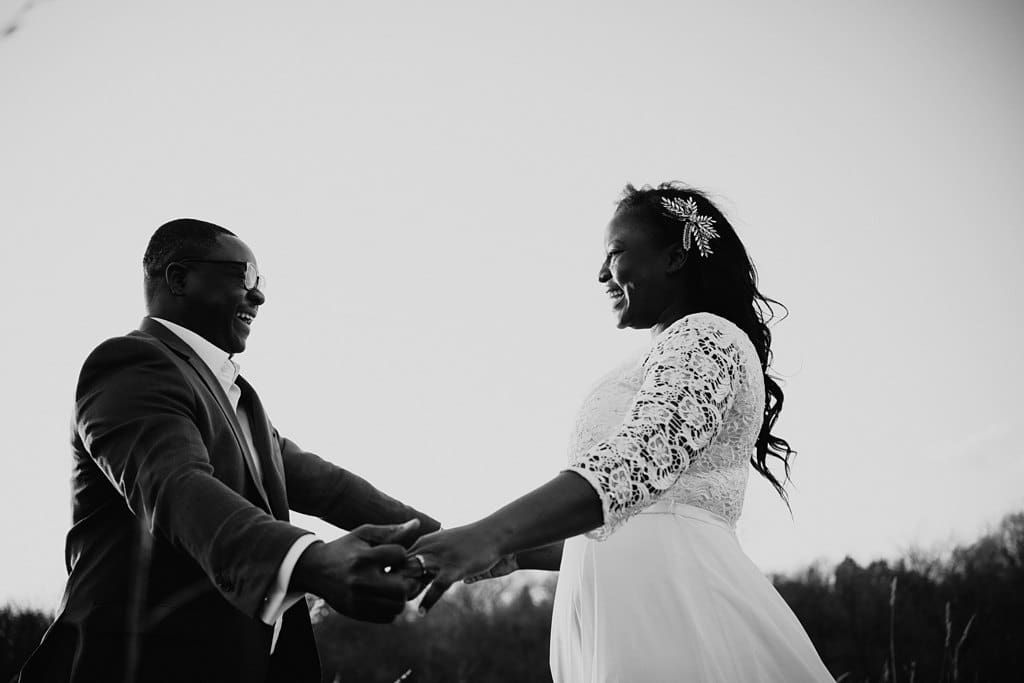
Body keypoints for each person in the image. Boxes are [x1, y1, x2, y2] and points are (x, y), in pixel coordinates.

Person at [409, 183, 835, 681]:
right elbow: (631, 519)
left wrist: (487, 533)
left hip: (676, 612)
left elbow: (637, 461)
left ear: (675, 257)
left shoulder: (706, 338)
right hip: (630, 611)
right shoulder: (662, 353)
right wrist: (516, 550)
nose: (600, 273)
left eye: (615, 252)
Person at [19, 219, 440, 683]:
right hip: (134, 663)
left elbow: (326, 484)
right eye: (244, 277)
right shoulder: (130, 364)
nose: (259, 296)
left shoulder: (237, 396)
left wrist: (458, 541)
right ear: (179, 279)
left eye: (262, 283)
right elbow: (176, 488)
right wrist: (309, 561)